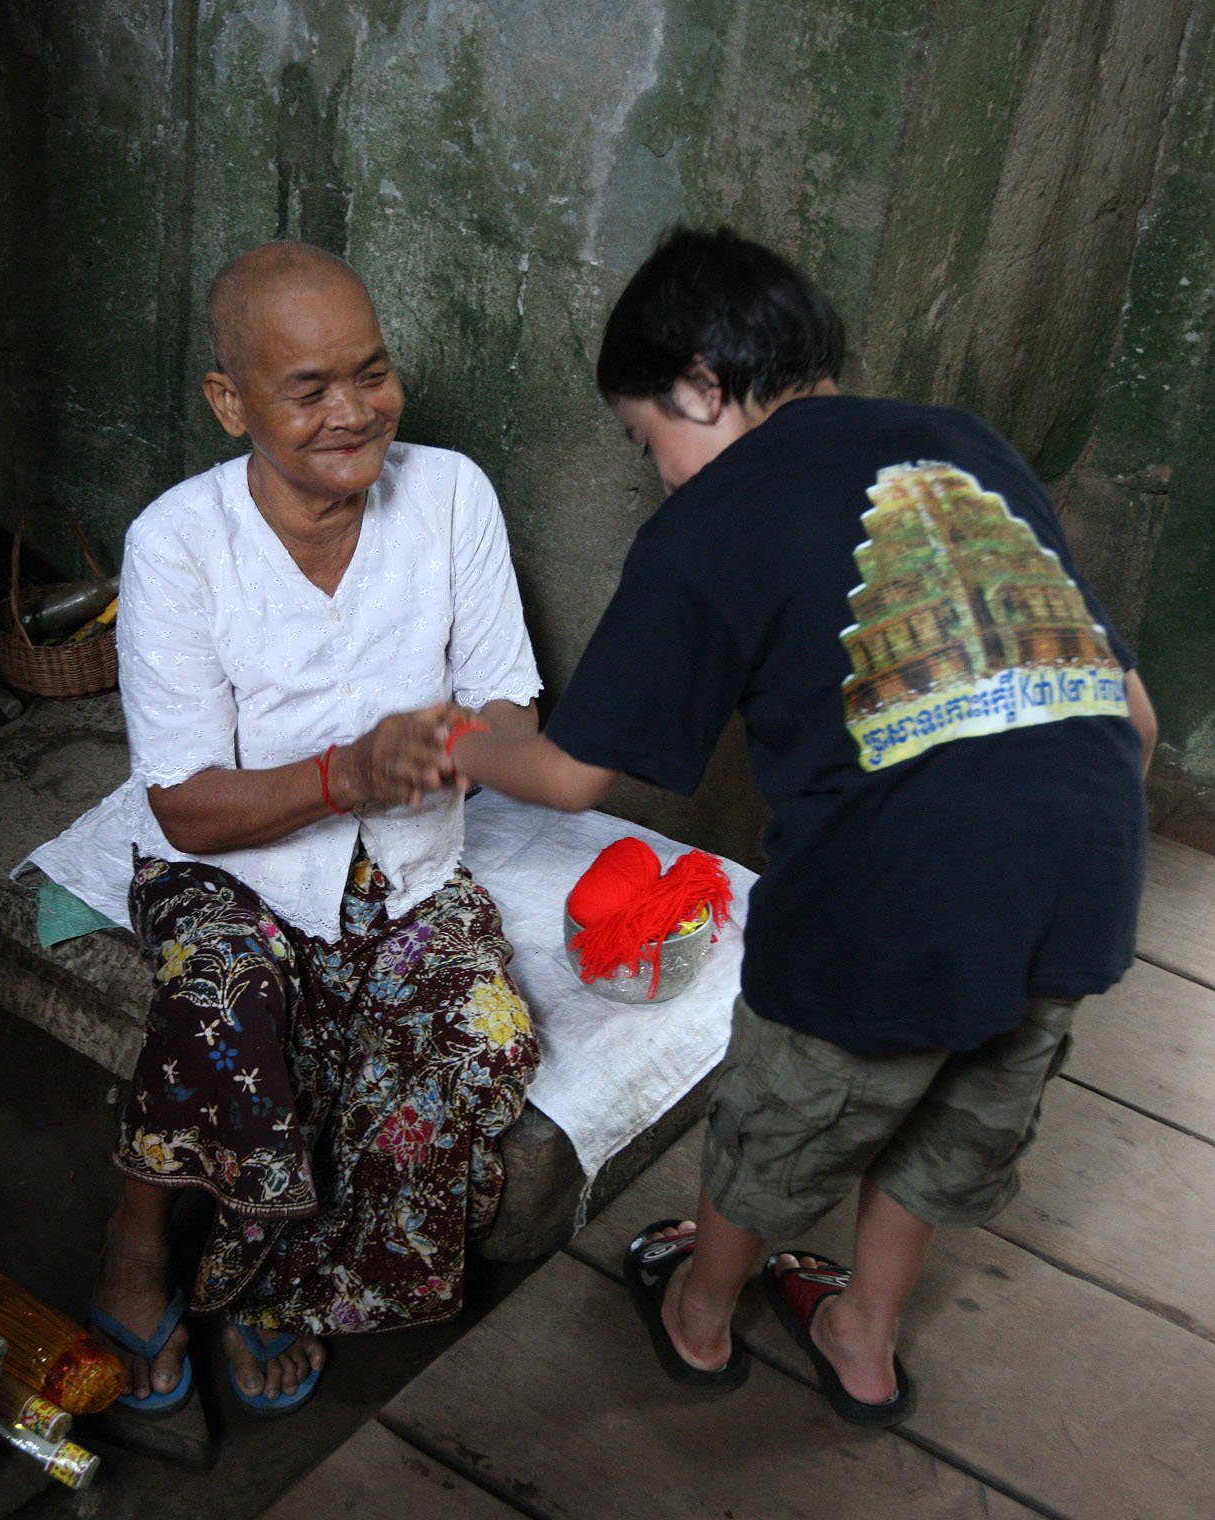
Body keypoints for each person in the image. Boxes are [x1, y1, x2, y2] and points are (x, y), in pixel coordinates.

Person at [449, 225, 1155, 1427]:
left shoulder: (713, 512)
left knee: (785, 1120)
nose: (662, 471)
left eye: (647, 438)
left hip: (890, 899)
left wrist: (452, 740)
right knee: (958, 1106)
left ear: (702, 385)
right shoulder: (964, 443)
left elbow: (569, 775)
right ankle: (863, 1336)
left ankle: (701, 1312)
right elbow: (1130, 717)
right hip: (1083, 871)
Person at [84, 240, 542, 1416]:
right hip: (226, 866)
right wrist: (347, 773)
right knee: (229, 999)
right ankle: (138, 1244)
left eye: (372, 373)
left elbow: (506, 699)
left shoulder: (450, 496)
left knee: (478, 1033)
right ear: (230, 401)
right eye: (309, 389)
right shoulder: (177, 545)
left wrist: (468, 746)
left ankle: (277, 1284)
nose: (355, 412)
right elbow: (185, 799)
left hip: (410, 867)